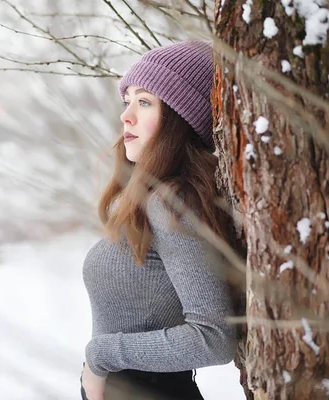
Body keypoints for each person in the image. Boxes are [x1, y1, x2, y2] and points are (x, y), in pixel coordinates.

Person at [80, 40, 238, 400]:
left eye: (145, 101)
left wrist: (100, 355)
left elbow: (212, 338)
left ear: (181, 118)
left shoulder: (172, 203)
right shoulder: (154, 199)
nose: (126, 115)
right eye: (128, 101)